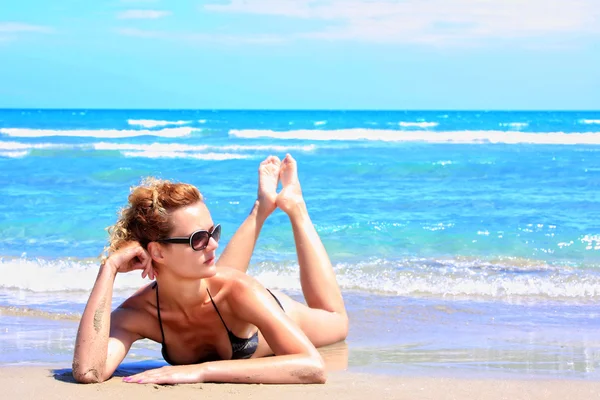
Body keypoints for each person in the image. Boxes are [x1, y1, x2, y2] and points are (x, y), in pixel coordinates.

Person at [72, 154, 349, 385]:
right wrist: (108, 270)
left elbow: (313, 367)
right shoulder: (139, 313)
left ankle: (293, 206)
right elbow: (89, 371)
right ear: (157, 251)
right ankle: (262, 206)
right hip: (211, 293)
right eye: (198, 238)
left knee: (337, 322)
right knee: (214, 275)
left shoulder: (241, 291)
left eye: (213, 231)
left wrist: (200, 371)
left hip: (265, 307)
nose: (214, 243)